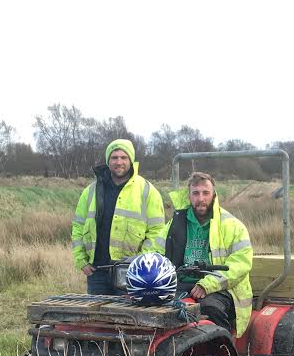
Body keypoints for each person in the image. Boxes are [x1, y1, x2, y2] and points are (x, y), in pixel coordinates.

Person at [153, 171, 254, 334]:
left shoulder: (232, 226)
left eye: (206, 193)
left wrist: (207, 284)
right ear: (189, 196)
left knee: (211, 309)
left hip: (220, 288)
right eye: (196, 193)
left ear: (214, 195)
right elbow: (154, 253)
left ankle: (222, 354)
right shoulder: (175, 223)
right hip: (180, 283)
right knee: (154, 306)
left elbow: (240, 265)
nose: (201, 198)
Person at [70, 139, 167, 295]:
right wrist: (81, 261)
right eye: (114, 157)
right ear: (108, 161)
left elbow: (157, 232)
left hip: (131, 273)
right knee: (96, 319)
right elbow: (78, 226)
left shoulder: (147, 191)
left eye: (124, 157)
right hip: (97, 273)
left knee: (127, 318)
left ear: (131, 160)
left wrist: (142, 264)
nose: (119, 162)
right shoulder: (91, 190)